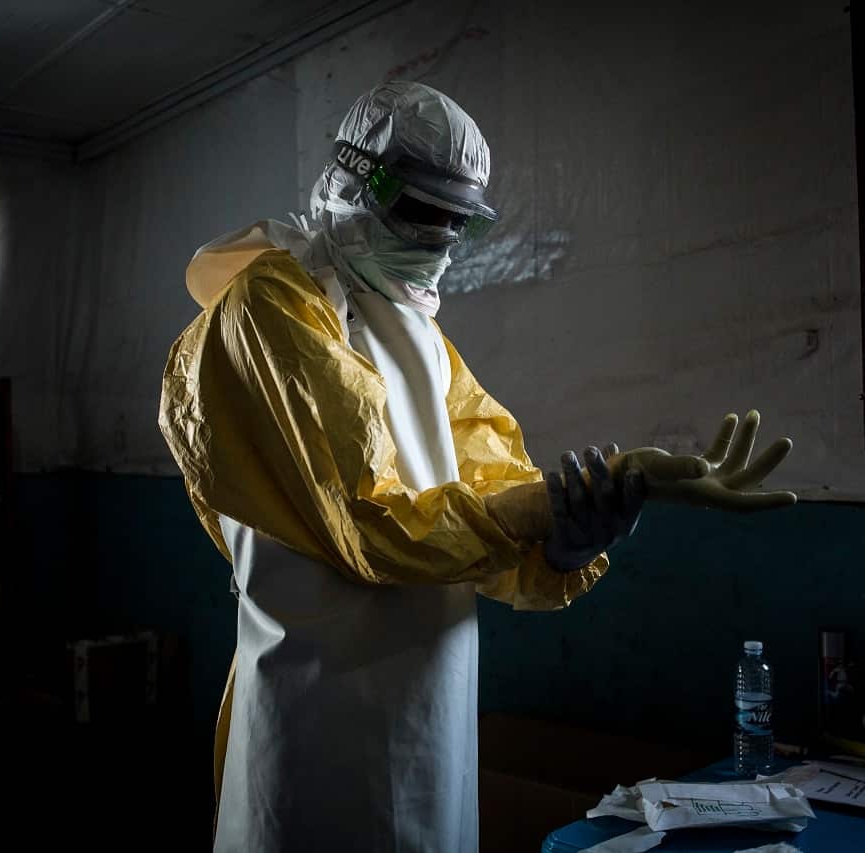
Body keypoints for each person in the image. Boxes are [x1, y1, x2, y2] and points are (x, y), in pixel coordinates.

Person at [159, 80, 795, 852]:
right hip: (317, 715)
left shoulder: (426, 343)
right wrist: (545, 508)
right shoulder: (273, 307)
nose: (442, 241)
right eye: (424, 214)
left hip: (433, 714)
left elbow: (490, 512)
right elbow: (373, 525)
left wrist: (570, 539)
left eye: (458, 221)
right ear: (360, 182)